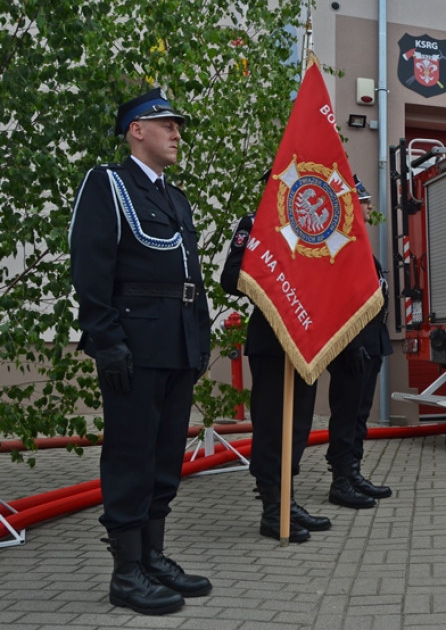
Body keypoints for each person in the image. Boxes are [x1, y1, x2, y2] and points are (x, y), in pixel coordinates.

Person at [69, 87, 212, 615]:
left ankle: (153, 557)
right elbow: (90, 267)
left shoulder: (174, 198)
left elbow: (189, 277)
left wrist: (198, 338)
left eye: (178, 127)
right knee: (131, 455)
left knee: (166, 454)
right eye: (167, 125)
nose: (177, 134)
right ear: (137, 130)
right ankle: (126, 572)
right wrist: (106, 341)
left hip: (175, 343)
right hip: (133, 343)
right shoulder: (108, 183)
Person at [220, 206, 333, 543]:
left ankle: (288, 500)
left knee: (298, 424)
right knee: (273, 426)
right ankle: (273, 510)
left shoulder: (313, 230)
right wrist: (276, 277)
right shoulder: (255, 225)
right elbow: (230, 279)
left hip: (306, 337)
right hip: (272, 337)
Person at [325, 176, 394, 508]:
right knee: (346, 414)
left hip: (372, 341)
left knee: (360, 415)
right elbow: (337, 300)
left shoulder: (360, 247)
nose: (369, 207)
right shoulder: (340, 247)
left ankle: (353, 472)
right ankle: (340, 480)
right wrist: (351, 344)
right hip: (354, 346)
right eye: (364, 201)